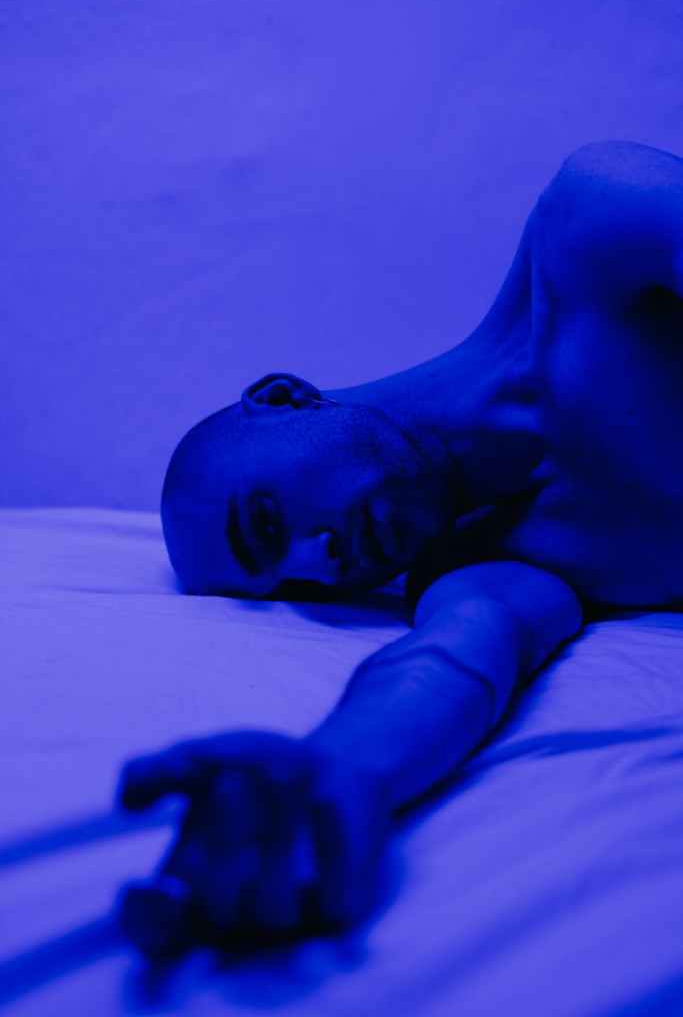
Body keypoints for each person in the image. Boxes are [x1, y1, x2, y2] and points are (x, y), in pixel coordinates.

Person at [115, 139, 683, 957]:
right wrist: (341, 773)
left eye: (266, 524)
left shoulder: (590, 232)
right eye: (293, 589)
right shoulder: (495, 562)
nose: (318, 564)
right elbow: (453, 658)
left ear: (283, 398)